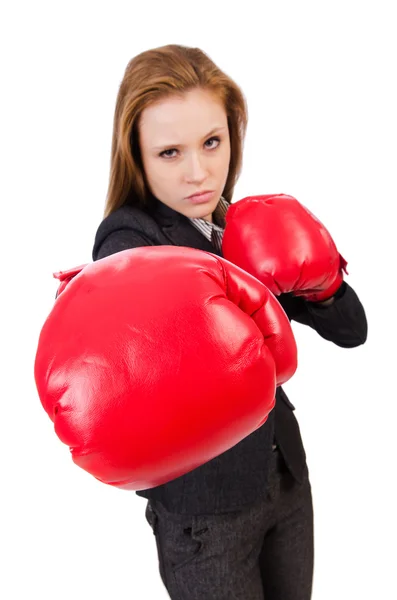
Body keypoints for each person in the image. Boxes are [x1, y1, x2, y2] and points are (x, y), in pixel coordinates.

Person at [92, 44, 368, 600]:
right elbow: (154, 388)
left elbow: (353, 331)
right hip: (206, 514)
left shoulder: (235, 225)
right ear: (137, 156)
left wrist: (323, 277)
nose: (200, 172)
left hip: (284, 477)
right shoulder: (129, 245)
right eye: (170, 152)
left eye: (212, 142)